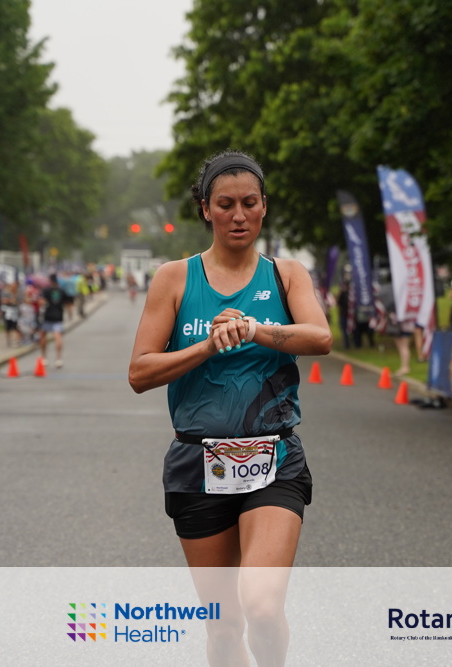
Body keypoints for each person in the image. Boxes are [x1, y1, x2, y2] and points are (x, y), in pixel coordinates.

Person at [128, 151, 331, 667]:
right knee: (223, 629)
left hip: (273, 459)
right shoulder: (175, 278)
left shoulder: (286, 275)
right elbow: (140, 373)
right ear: (205, 209)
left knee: (261, 606)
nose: (238, 215)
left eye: (249, 203)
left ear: (264, 206)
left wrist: (254, 330)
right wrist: (206, 346)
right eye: (225, 204)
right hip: (197, 465)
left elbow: (320, 337)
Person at [39, 274, 65, 368]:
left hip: (48, 315)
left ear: (50, 281)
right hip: (58, 316)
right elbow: (66, 302)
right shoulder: (61, 290)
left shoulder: (46, 290)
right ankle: (58, 359)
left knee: (43, 336)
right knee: (58, 337)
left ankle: (44, 358)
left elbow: (41, 302)